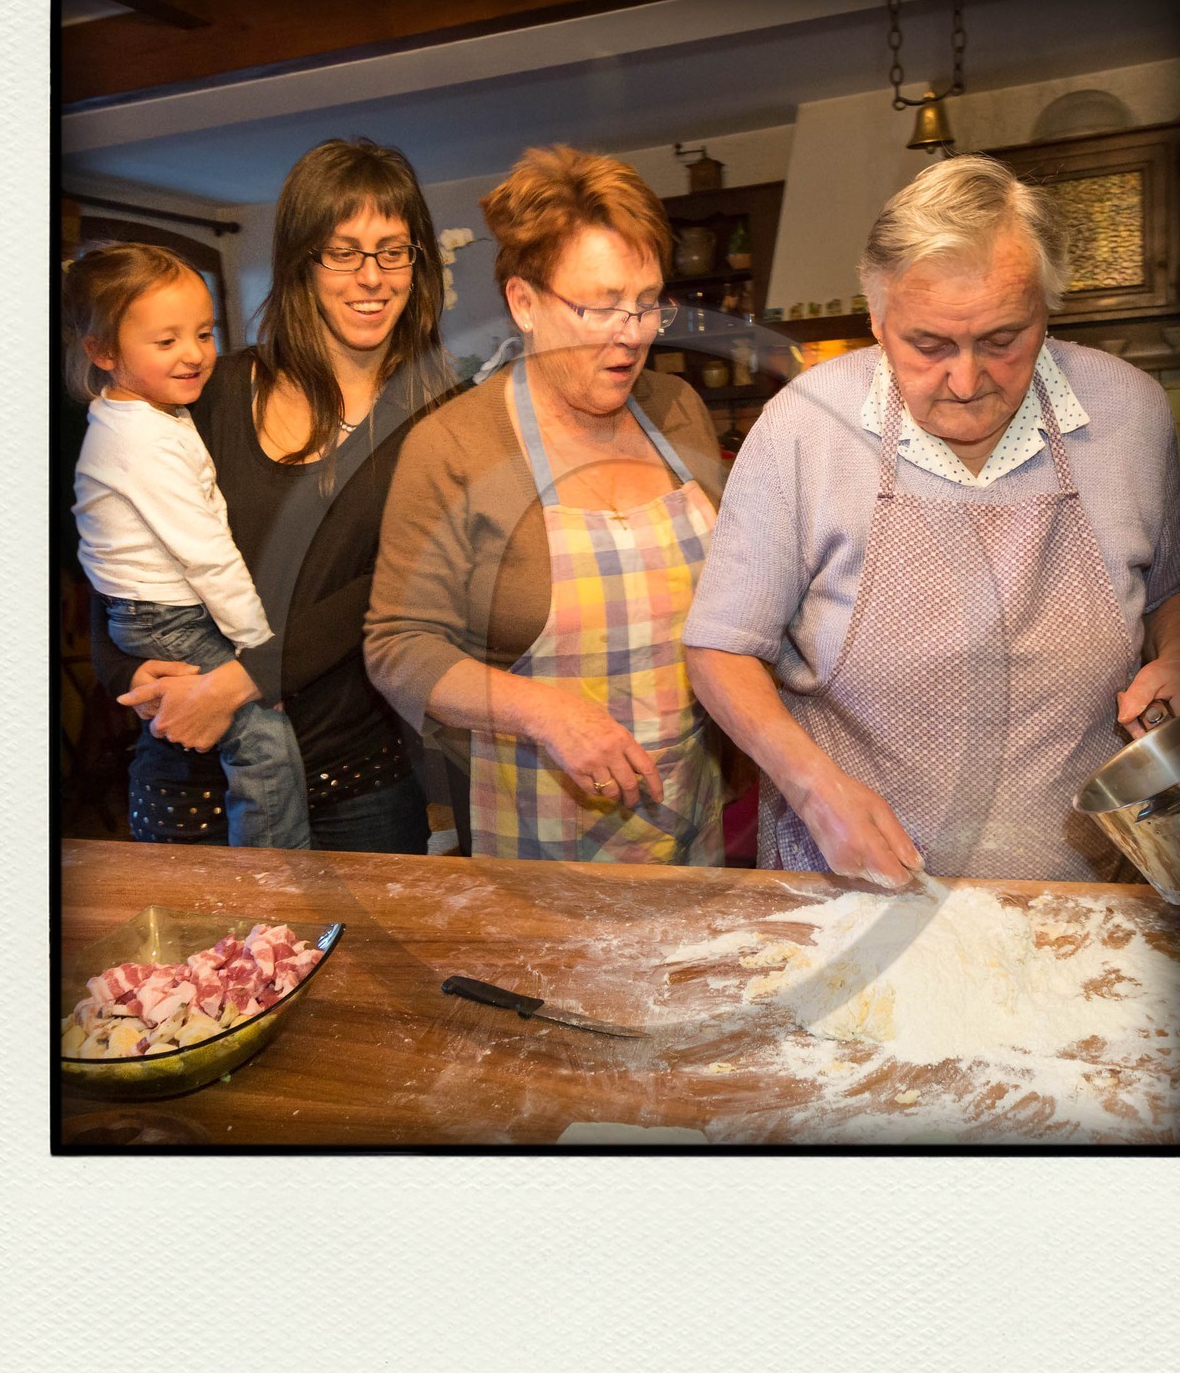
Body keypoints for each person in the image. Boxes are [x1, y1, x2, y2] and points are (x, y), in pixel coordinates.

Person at [684, 154, 1180, 887]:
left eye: (1003, 339)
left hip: (1084, 883)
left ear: (1048, 311)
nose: (966, 380)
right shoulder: (804, 429)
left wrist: (1176, 657)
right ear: (877, 321)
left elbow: (1172, 587)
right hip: (852, 888)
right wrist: (812, 791)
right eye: (929, 345)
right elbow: (720, 649)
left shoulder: (1131, 414)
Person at [89, 137, 454, 851]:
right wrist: (127, 669)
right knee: (192, 968)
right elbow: (118, 543)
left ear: (418, 262)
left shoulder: (441, 417)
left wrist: (239, 679)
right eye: (342, 251)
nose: (371, 277)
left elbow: (397, 585)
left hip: (357, 785)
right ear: (299, 263)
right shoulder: (208, 391)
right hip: (192, 781)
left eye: (393, 250)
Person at [364, 144, 726, 864]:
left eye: (648, 303)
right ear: (524, 302)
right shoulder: (454, 447)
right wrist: (546, 713)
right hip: (537, 835)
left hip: (692, 810)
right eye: (599, 307)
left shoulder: (679, 409)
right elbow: (398, 647)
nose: (632, 334)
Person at [68, 243, 309, 849]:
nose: (196, 354)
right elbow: (206, 554)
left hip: (157, 612)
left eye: (203, 333)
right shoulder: (142, 439)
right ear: (101, 351)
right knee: (263, 742)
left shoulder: (145, 416)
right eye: (166, 340)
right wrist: (259, 649)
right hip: (166, 615)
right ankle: (275, 878)